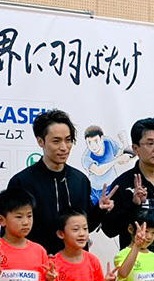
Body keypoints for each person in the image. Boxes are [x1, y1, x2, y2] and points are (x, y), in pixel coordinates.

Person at [8, 109, 115, 255]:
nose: (64, 147)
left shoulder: (80, 181)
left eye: (68, 140)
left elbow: (86, 226)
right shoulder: (22, 182)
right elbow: (11, 233)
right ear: (40, 141)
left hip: (76, 263)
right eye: (56, 141)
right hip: (37, 263)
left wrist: (100, 210)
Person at [102, 118, 154, 263]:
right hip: (136, 266)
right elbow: (109, 230)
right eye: (150, 143)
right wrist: (132, 204)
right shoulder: (123, 184)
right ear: (136, 149)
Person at [81, 125, 133, 204]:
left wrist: (124, 142)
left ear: (102, 139)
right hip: (95, 191)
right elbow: (98, 171)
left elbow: (121, 157)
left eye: (95, 141)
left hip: (112, 186)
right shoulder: (86, 157)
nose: (93, 146)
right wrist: (117, 160)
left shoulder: (108, 142)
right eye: (89, 142)